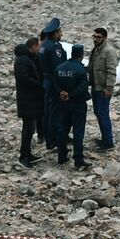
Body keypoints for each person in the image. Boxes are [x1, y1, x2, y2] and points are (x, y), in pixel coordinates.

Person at [54, 43, 91, 169]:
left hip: (62, 103)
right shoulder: (81, 70)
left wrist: (61, 92)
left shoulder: (60, 68)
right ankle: (78, 159)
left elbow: (54, 83)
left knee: (63, 129)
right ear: (81, 55)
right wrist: (71, 94)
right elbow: (83, 87)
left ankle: (62, 155)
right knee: (78, 131)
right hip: (77, 104)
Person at [13, 37, 44, 168]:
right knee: (28, 129)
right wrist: (39, 84)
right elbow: (23, 78)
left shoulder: (28, 58)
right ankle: (23, 156)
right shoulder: (24, 61)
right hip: (27, 99)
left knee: (30, 128)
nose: (39, 49)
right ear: (33, 46)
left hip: (31, 99)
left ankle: (27, 154)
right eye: (38, 47)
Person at [87, 27, 117, 152]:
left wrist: (109, 87)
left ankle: (108, 142)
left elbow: (111, 71)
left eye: (98, 37)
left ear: (104, 38)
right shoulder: (96, 50)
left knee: (103, 113)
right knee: (98, 113)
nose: (95, 39)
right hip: (95, 86)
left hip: (103, 88)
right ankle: (105, 138)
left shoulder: (108, 51)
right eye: (94, 37)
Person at [39, 19, 65, 152]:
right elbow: (59, 68)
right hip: (54, 83)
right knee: (54, 112)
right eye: (59, 31)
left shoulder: (43, 45)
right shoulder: (54, 47)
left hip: (46, 80)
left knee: (48, 111)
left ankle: (50, 137)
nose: (61, 34)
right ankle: (53, 140)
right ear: (55, 34)